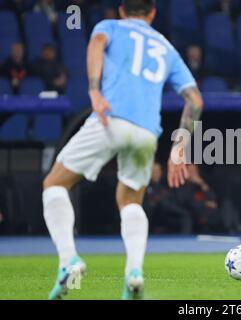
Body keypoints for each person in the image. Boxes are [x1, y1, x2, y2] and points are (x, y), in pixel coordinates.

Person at [42, 0, 202, 300]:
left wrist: (93, 91)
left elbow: (96, 43)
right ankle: (134, 273)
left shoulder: (109, 27)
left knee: (54, 184)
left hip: (110, 118)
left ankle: (68, 261)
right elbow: (195, 101)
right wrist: (179, 149)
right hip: (146, 133)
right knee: (130, 201)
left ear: (121, 10)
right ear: (152, 13)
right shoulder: (166, 46)